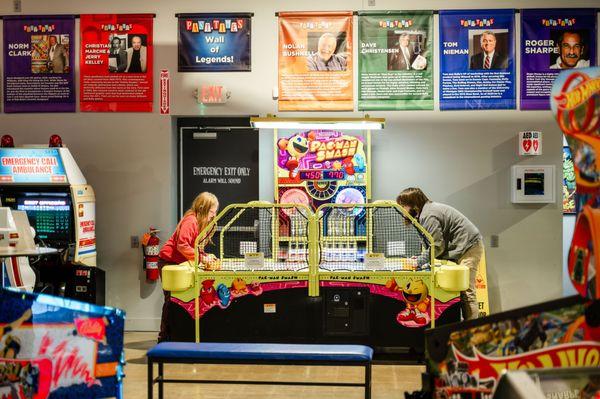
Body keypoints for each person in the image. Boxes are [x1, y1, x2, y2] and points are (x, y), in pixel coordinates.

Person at [396, 187, 484, 320]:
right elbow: (432, 244)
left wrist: (417, 261)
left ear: (413, 204)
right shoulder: (424, 213)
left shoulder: (428, 215)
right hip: (459, 248)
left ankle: (471, 332)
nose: (402, 210)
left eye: (403, 206)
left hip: (468, 247)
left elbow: (437, 247)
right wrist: (420, 258)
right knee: (459, 291)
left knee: (466, 292)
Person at [157, 192, 219, 342]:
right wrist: (203, 258)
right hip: (169, 262)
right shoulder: (190, 221)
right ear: (203, 209)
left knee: (177, 300)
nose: (213, 215)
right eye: (212, 211)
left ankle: (175, 335)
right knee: (171, 300)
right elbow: (182, 246)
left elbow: (194, 246)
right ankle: (164, 337)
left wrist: (204, 255)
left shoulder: (197, 222)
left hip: (178, 263)